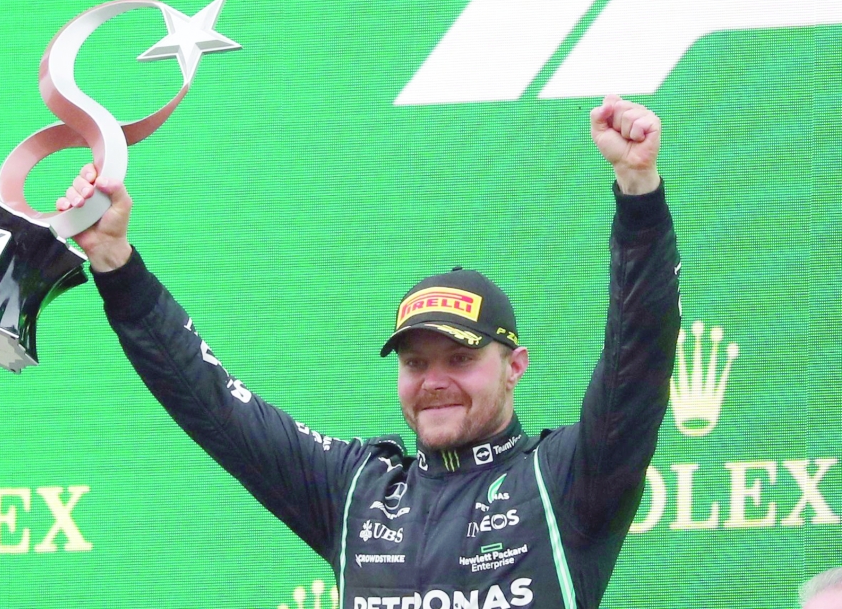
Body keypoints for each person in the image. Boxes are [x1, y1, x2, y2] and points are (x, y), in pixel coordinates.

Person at [58, 94, 681, 609]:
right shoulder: (358, 491)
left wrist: (639, 195)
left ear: (514, 366)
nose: (434, 379)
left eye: (460, 358)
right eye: (415, 362)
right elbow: (212, 403)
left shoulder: (565, 479)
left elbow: (639, 356)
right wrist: (115, 262)